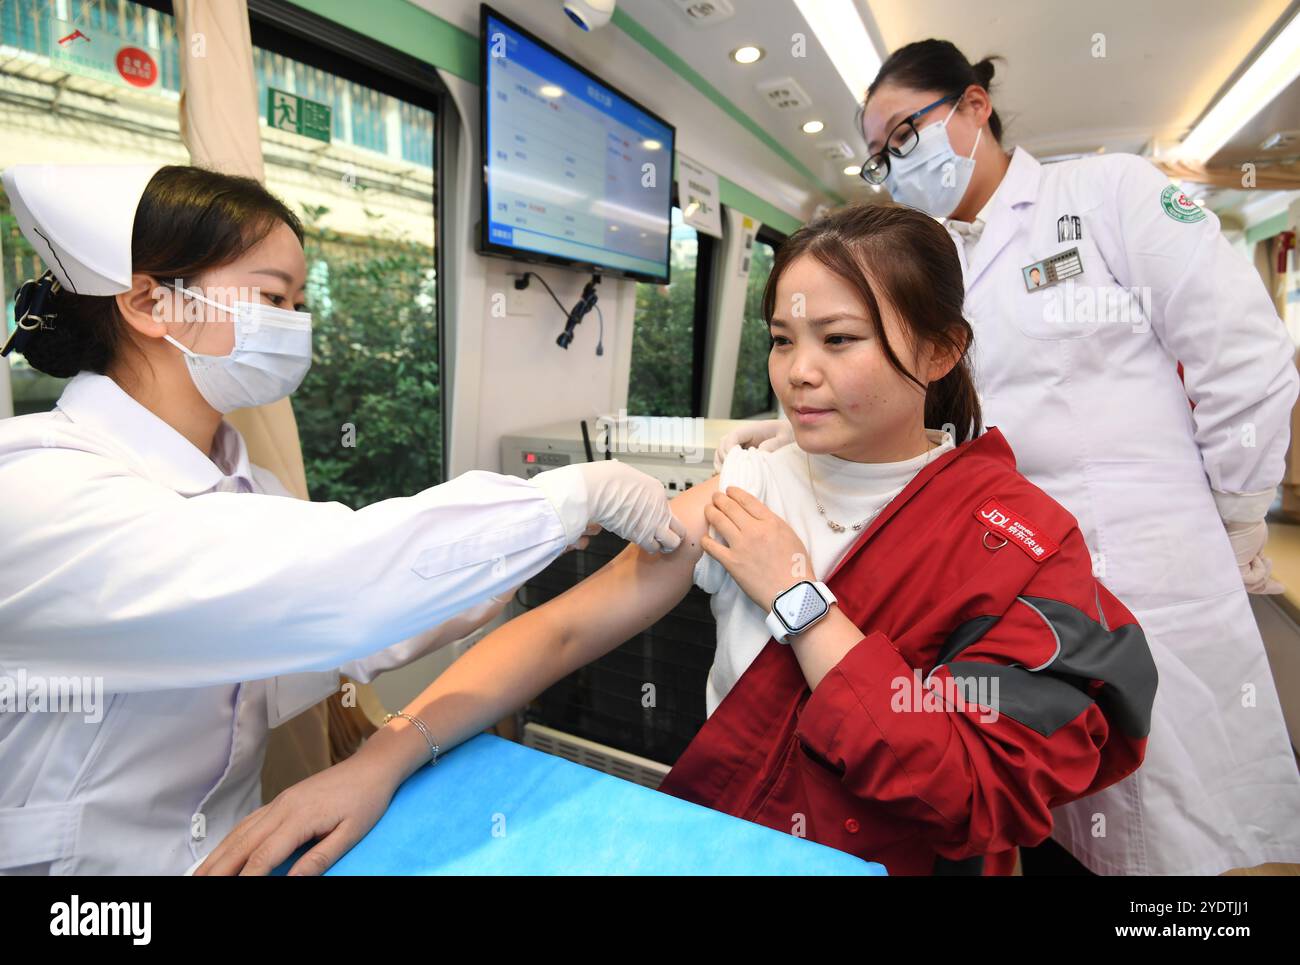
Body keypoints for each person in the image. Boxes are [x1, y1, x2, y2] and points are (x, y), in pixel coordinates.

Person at [195, 202, 1157, 877]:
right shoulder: (748, 486)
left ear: (940, 350)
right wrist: (379, 758)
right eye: (782, 338)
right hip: (730, 841)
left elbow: (972, 788)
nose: (799, 372)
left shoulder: (1021, 540)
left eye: (839, 340)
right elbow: (564, 630)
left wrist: (799, 599)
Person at [716, 39, 1300, 875]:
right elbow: (912, 402)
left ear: (973, 106)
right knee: (1034, 814)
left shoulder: (1108, 194)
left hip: (1148, 568)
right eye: (880, 156)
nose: (895, 163)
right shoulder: (926, 264)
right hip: (1004, 582)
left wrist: (1240, 511)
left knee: (1174, 849)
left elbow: (1241, 355)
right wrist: (785, 434)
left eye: (904, 135)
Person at [0, 163, 684, 875]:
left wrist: (519, 554)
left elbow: (340, 634)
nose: (294, 324)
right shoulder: (37, 485)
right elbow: (334, 583)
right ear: (150, 303)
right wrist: (565, 499)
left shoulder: (248, 489)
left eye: (299, 303)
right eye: (272, 297)